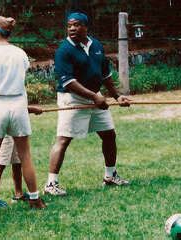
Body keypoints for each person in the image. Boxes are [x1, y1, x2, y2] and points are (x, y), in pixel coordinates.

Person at [44, 12, 131, 196]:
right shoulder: (64, 50)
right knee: (63, 139)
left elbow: (105, 74)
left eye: (76, 25)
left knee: (109, 135)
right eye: (69, 26)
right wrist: (95, 97)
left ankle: (110, 176)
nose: (72, 29)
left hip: (95, 96)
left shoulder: (96, 45)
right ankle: (51, 184)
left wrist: (117, 97)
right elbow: (68, 82)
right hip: (72, 98)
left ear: (85, 27)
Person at [0, 15, 46, 217]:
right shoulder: (20, 54)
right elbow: (21, 79)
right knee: (25, 155)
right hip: (18, 104)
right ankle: (35, 198)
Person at [0, 106, 43, 208]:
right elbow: (12, 104)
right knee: (0, 163)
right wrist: (31, 109)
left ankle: (18, 194)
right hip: (6, 127)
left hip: (16, 125)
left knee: (17, 161)